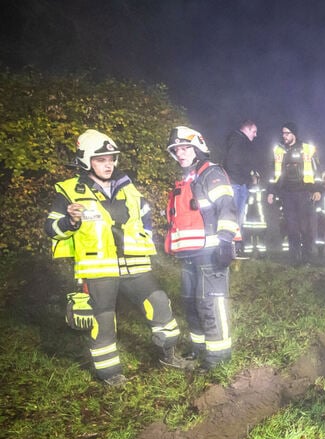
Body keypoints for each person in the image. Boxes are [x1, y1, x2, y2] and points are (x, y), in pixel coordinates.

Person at [45, 129, 191, 386]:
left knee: (159, 304)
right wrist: (70, 221)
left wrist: (145, 238)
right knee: (102, 320)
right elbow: (51, 229)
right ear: (86, 160)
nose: (108, 164)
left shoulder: (129, 188)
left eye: (111, 158)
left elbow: (145, 219)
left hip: (135, 263)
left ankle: (169, 354)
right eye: (101, 159)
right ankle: (110, 374)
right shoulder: (69, 192)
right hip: (98, 267)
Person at [165, 125, 240, 369]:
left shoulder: (211, 173)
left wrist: (226, 241)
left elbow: (227, 206)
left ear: (198, 148)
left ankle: (218, 355)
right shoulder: (185, 179)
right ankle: (198, 347)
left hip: (211, 252)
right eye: (177, 149)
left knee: (211, 303)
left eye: (185, 147)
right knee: (190, 302)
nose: (181, 153)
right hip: (188, 255)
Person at [267, 122, 320, 264]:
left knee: (305, 226)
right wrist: (271, 192)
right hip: (287, 194)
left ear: (294, 134)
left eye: (287, 133)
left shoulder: (307, 149)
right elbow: (274, 174)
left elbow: (316, 171)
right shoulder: (278, 150)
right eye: (283, 133)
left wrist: (316, 189)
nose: (284, 136)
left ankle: (307, 258)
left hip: (303, 193)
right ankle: (294, 258)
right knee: (291, 227)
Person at [222, 119, 260, 258]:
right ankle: (233, 248)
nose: (255, 135)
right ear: (247, 129)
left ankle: (237, 247)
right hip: (236, 184)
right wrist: (241, 179)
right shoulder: (237, 140)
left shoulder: (241, 142)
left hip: (241, 183)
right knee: (235, 217)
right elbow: (233, 162)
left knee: (239, 218)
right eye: (254, 131)